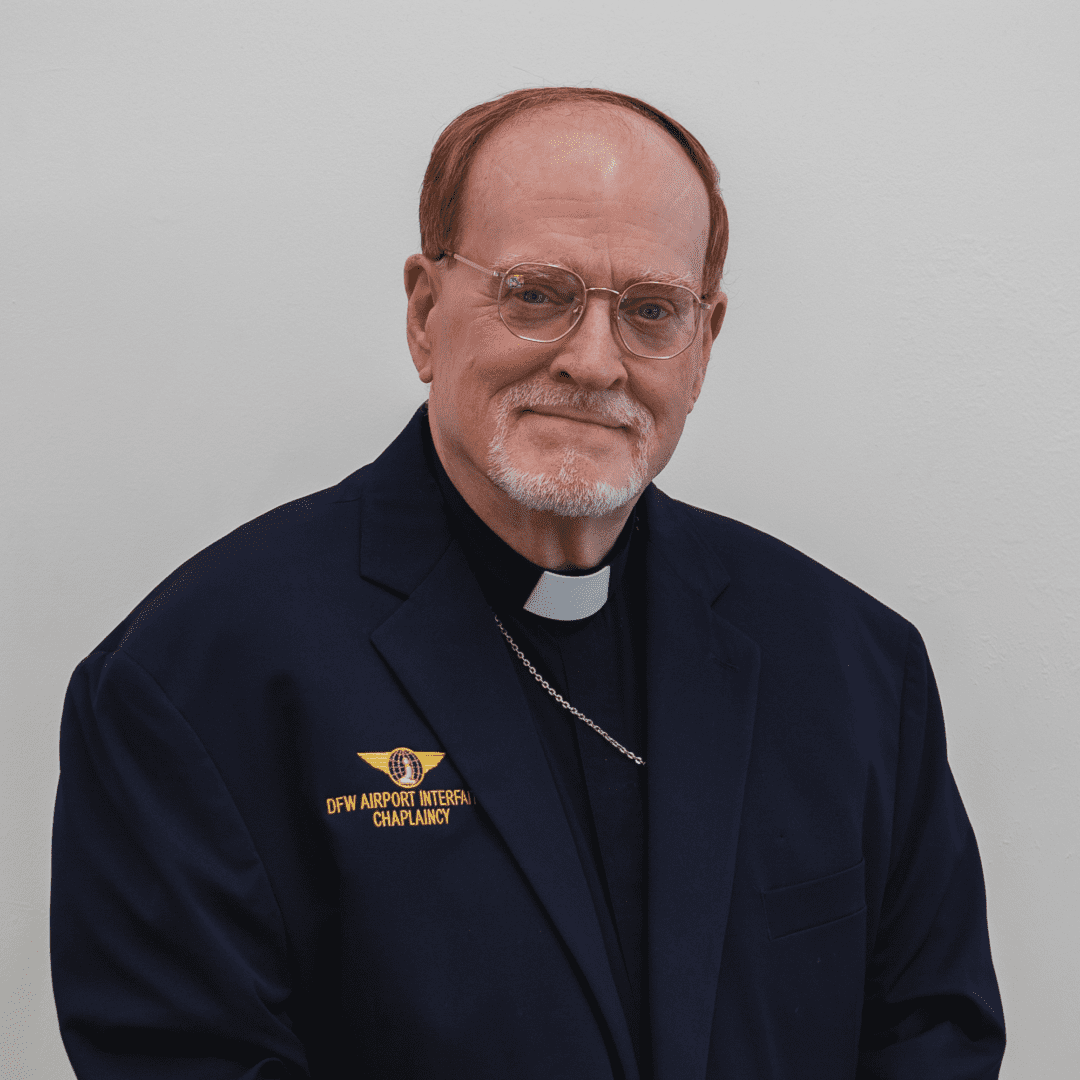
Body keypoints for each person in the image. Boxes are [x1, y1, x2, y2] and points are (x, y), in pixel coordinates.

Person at [51, 87, 1006, 1080]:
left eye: (649, 312)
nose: (596, 363)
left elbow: (932, 1035)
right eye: (537, 294)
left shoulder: (855, 666)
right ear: (425, 313)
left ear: (703, 344)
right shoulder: (190, 683)